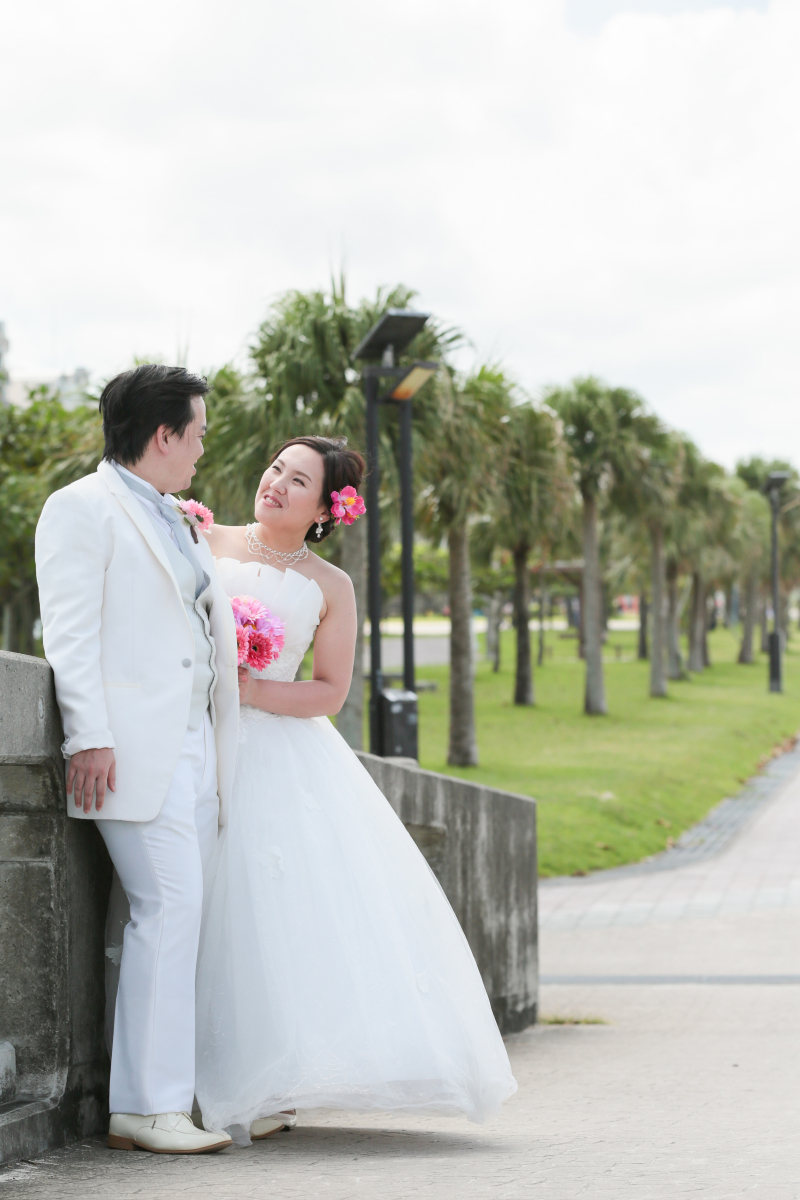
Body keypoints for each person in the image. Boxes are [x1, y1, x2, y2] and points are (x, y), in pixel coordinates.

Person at [194, 435, 517, 1142]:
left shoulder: (331, 587)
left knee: (268, 916)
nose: (275, 482)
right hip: (193, 742)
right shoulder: (201, 536)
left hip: (276, 753)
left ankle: (263, 1081)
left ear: (322, 510)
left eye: (297, 480)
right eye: (275, 467)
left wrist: (248, 685)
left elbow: (329, 692)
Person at [35, 365, 240, 1154]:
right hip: (129, 750)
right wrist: (87, 734)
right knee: (167, 909)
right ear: (163, 435)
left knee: (181, 913)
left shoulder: (178, 518)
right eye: (195, 433)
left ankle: (166, 1099)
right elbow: (71, 630)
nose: (200, 449)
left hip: (193, 746)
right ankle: (146, 1109)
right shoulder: (80, 508)